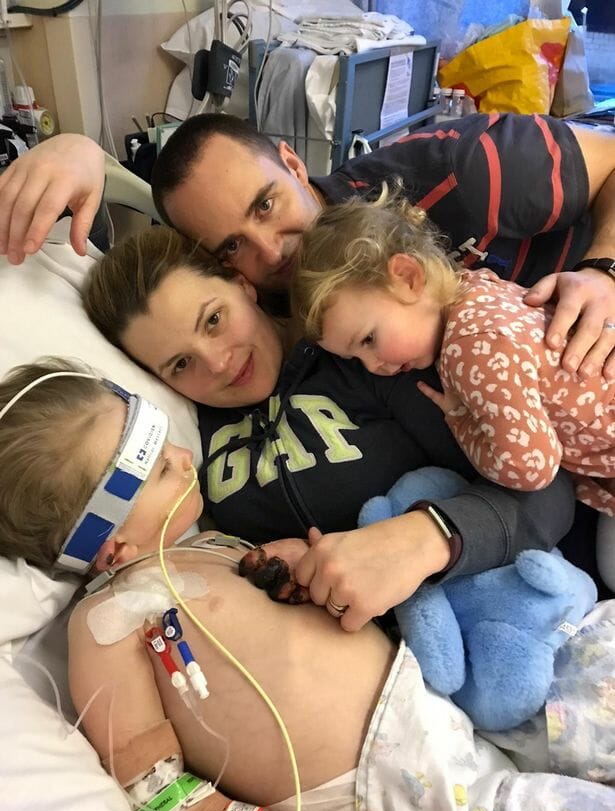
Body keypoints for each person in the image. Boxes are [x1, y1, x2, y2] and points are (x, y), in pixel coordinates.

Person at [2, 358, 614, 811]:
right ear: (109, 546)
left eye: (169, 441)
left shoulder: (210, 544)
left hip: (427, 694)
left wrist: (296, 566)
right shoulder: (104, 622)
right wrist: (208, 810)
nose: (187, 456)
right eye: (161, 466)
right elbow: (142, 762)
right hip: (365, 778)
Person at [82, 225, 586, 629]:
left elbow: (546, 492)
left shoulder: (369, 356)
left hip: (493, 609)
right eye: (180, 364)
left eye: (213, 320)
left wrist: (425, 538)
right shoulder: (193, 444)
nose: (216, 363)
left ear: (242, 285)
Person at [0, 112, 614, 381]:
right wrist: (77, 149)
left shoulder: (462, 171)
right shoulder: (260, 304)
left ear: (293, 163)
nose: (272, 254)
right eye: (233, 245)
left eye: (266, 205)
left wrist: (602, 271)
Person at [290, 192, 615, 585]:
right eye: (357, 359)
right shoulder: (478, 285)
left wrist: (462, 422)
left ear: (408, 277)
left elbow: (530, 468)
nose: (374, 366)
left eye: (369, 340)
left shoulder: (468, 349)